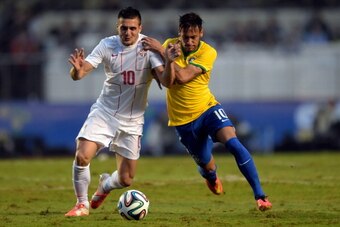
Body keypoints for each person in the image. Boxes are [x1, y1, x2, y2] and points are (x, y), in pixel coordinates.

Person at [142, 12, 272, 211]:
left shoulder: (208, 52)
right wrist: (166, 60)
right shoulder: (170, 44)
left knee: (234, 143)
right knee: (207, 165)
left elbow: (184, 77)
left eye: (194, 37)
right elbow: (168, 82)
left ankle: (260, 196)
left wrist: (162, 51)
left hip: (207, 109)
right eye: (185, 37)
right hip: (183, 121)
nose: (190, 41)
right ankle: (211, 176)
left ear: (201, 33)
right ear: (179, 33)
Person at [65, 7, 164, 217]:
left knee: (126, 179)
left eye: (132, 29)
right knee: (82, 155)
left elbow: (166, 79)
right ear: (117, 27)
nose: (127, 33)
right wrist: (77, 69)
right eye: (123, 28)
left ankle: (105, 185)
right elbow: (80, 73)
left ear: (140, 28)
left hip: (133, 120)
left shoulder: (149, 47)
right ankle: (82, 204)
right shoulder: (107, 44)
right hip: (105, 112)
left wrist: (163, 63)